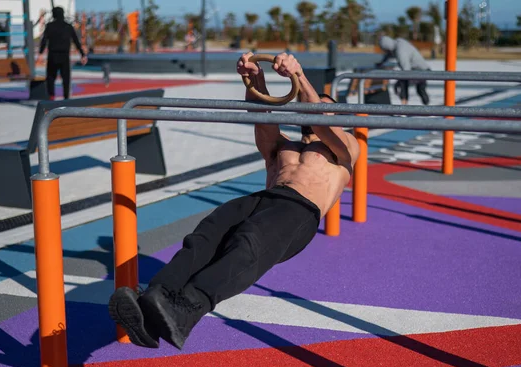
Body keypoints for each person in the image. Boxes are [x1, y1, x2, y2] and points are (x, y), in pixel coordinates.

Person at [108, 52, 360, 350]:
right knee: (205, 237)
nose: (317, 107)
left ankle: (187, 310)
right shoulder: (285, 147)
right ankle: (155, 299)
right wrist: (256, 80)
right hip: (262, 199)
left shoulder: (344, 150)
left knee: (247, 243)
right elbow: (262, 118)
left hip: (298, 211)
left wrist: (300, 76)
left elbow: (321, 121)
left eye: (325, 106)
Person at [37, 7, 87, 100]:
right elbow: (76, 41)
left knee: (51, 78)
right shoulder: (68, 26)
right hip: (64, 56)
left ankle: (51, 97)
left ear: (53, 14)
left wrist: (40, 53)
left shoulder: (49, 26)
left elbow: (44, 41)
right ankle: (66, 98)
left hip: (52, 55)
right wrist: (82, 54)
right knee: (66, 78)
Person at [376, 35, 431, 106]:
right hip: (418, 69)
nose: (385, 51)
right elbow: (388, 55)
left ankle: (405, 104)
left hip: (421, 70)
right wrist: (381, 62)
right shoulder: (397, 44)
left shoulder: (400, 50)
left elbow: (406, 70)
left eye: (385, 49)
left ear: (387, 47)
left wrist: (398, 84)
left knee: (404, 83)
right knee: (420, 89)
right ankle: (425, 105)